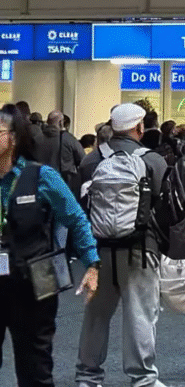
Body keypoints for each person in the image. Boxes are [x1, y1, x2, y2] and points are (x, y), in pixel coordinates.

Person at [0, 104, 100, 387]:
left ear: (14, 139)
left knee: (35, 368)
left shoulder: (42, 177)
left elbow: (76, 219)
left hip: (36, 283)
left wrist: (91, 264)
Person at [75, 103, 170, 387]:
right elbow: (162, 206)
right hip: (142, 249)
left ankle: (87, 377)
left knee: (95, 316)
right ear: (140, 127)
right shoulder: (153, 161)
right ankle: (143, 378)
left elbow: (82, 207)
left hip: (99, 250)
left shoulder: (92, 161)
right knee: (140, 315)